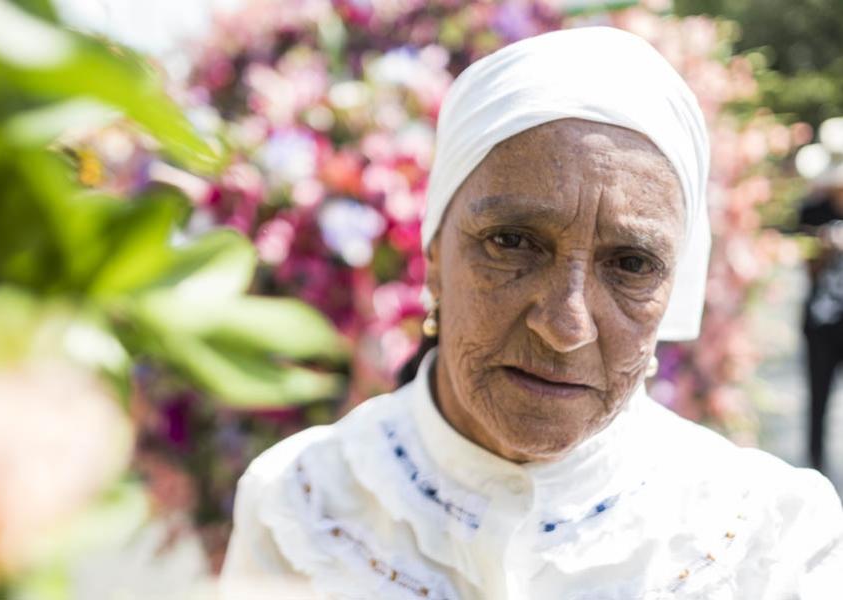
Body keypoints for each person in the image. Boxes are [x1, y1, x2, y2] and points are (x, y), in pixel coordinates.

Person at [221, 27, 843, 599]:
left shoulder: (771, 537)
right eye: (513, 242)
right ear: (434, 253)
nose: (566, 323)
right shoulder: (301, 502)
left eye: (630, 264)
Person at [799, 162, 843, 473]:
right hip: (821, 323)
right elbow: (806, 264)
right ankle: (815, 464)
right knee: (818, 398)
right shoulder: (814, 210)